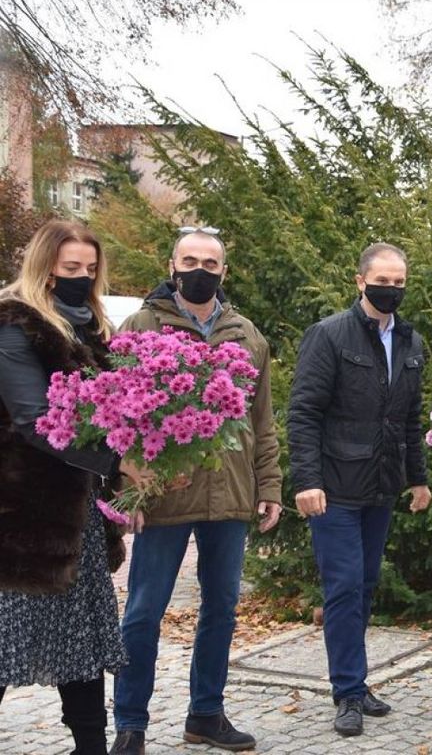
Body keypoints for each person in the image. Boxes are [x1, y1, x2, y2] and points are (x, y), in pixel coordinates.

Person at [111, 226, 282, 754]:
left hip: (229, 493)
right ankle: (130, 723)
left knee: (221, 609)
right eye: (190, 260)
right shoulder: (140, 326)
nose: (200, 271)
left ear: (223, 272)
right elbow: (117, 415)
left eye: (210, 262)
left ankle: (205, 714)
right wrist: (127, 488)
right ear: (172, 265)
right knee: (143, 611)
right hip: (165, 494)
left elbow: (263, 419)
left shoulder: (246, 334)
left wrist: (270, 483)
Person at [0, 220, 149, 755]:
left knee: (81, 648)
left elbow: (112, 414)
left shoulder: (91, 330)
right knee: (5, 642)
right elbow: (33, 418)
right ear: (44, 268)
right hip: (21, 522)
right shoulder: (15, 327)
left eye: (89, 271)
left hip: (78, 519)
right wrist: (119, 459)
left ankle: (91, 747)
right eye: (69, 270)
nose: (81, 280)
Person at [287, 242, 432, 737]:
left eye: (398, 282)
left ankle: (357, 681)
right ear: (360, 281)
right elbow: (304, 411)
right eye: (382, 280)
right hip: (335, 488)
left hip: (382, 487)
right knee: (344, 586)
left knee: (366, 585)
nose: (390, 289)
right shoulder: (329, 335)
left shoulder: (410, 342)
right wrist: (306, 480)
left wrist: (419, 477)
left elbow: (411, 417)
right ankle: (346, 691)